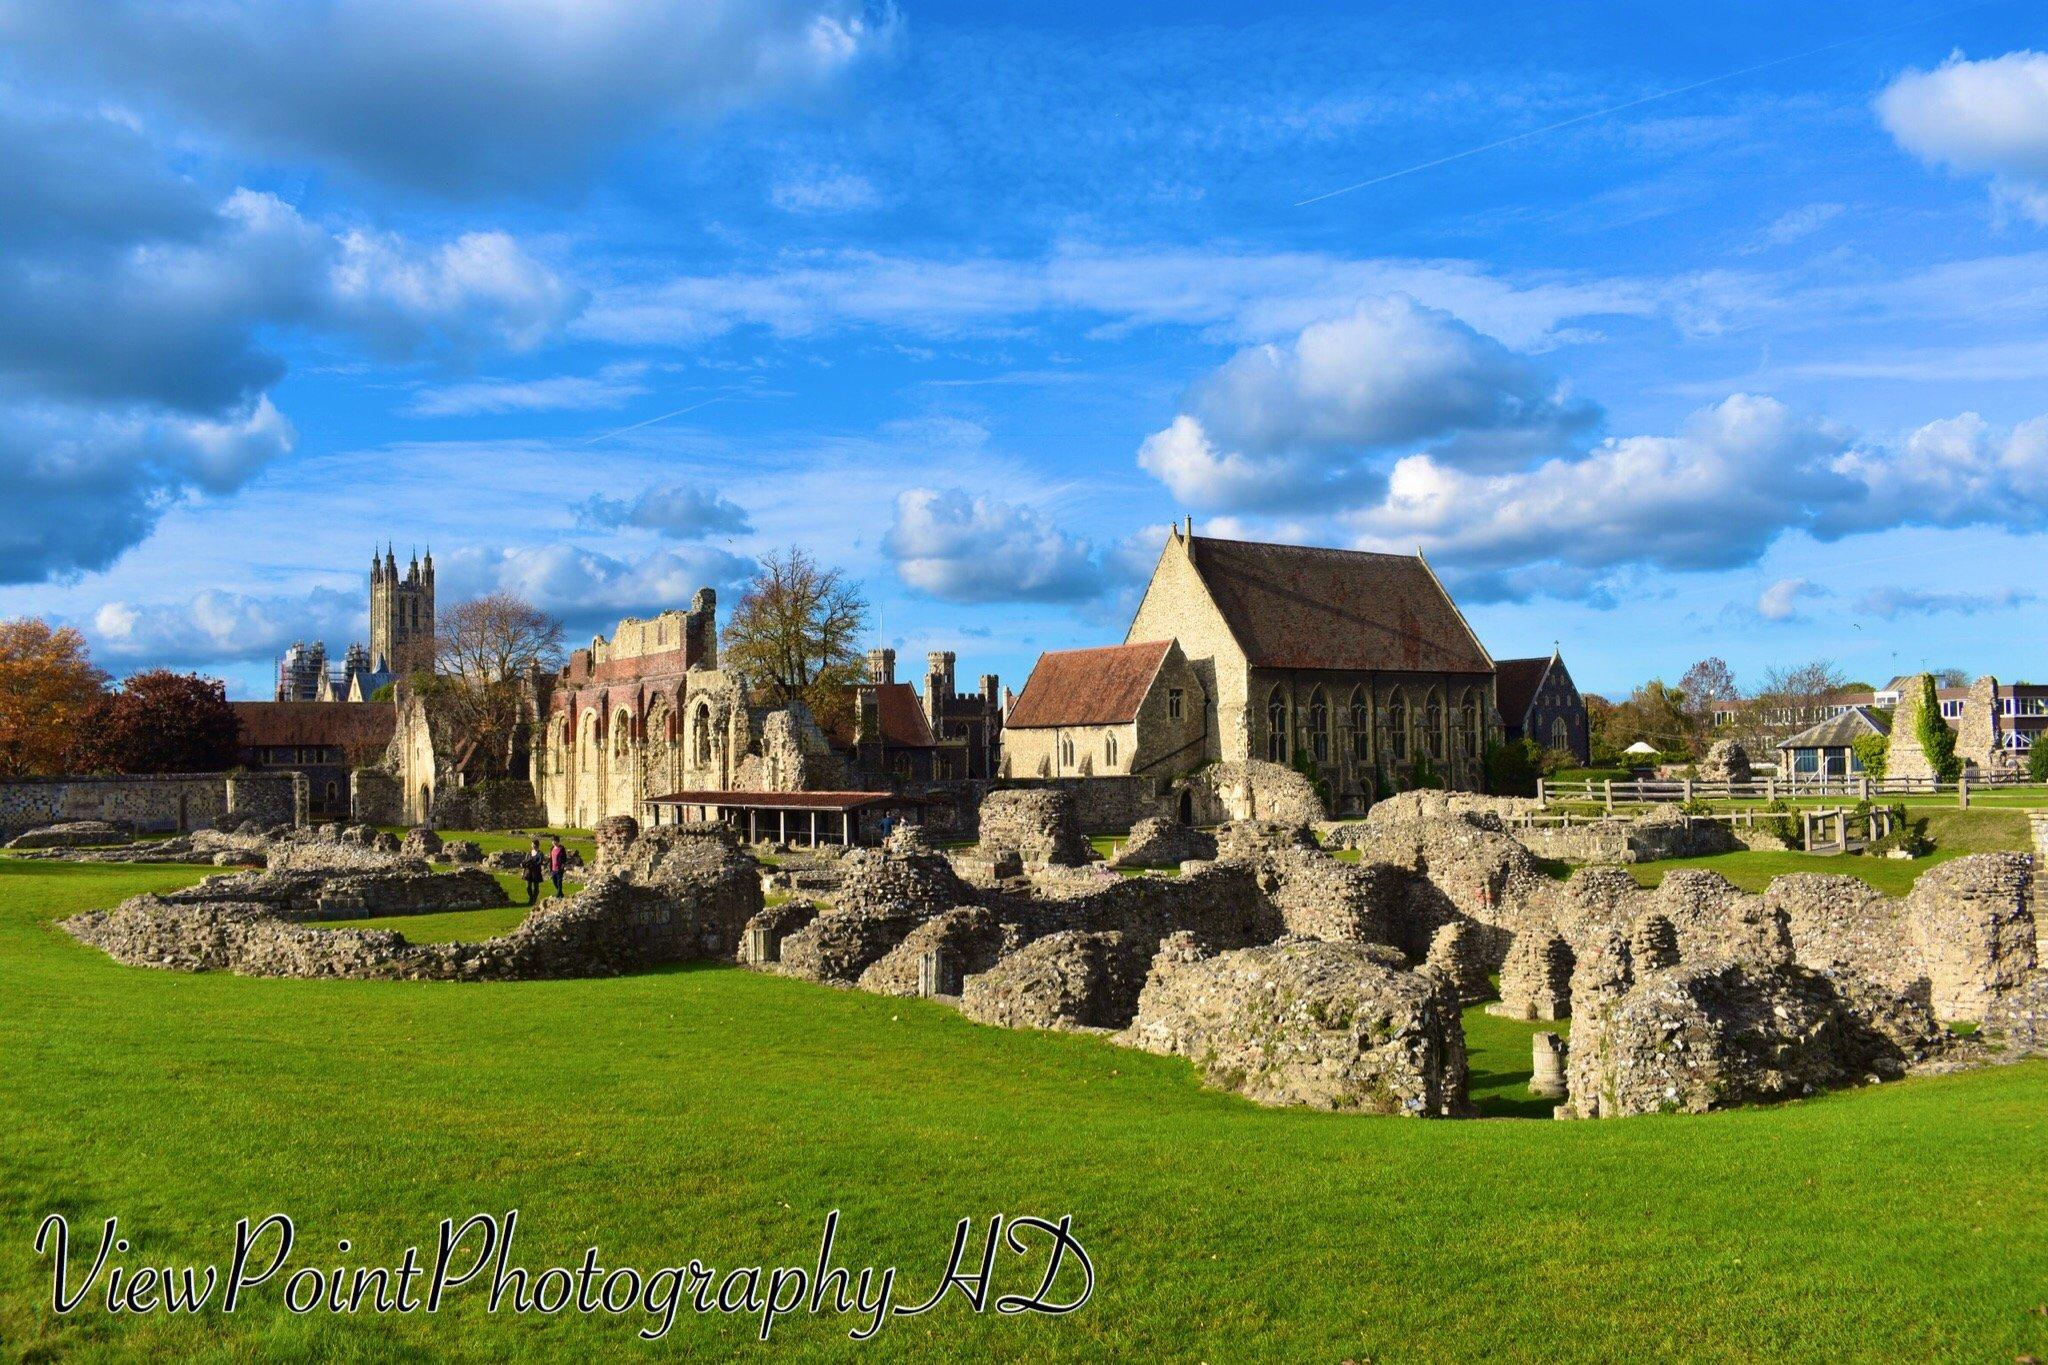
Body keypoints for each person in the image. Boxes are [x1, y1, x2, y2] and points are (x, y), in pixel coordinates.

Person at [520, 837, 544, 905]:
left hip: (536, 872)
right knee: (528, 887)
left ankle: (534, 899)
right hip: (528, 872)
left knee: (536, 887)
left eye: (534, 844)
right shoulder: (529, 853)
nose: (533, 846)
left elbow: (539, 862)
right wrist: (522, 864)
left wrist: (532, 864)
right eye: (532, 844)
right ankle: (531, 898)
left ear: (537, 845)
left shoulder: (540, 853)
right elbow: (525, 861)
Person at [547, 834, 568, 899]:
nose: (553, 842)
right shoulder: (552, 848)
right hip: (553, 868)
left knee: (559, 882)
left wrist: (562, 866)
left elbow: (564, 858)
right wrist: (550, 867)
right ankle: (561, 894)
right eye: (552, 841)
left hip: (559, 868)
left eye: (554, 841)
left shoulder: (561, 848)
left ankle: (558, 895)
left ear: (557, 841)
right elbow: (550, 859)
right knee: (554, 882)